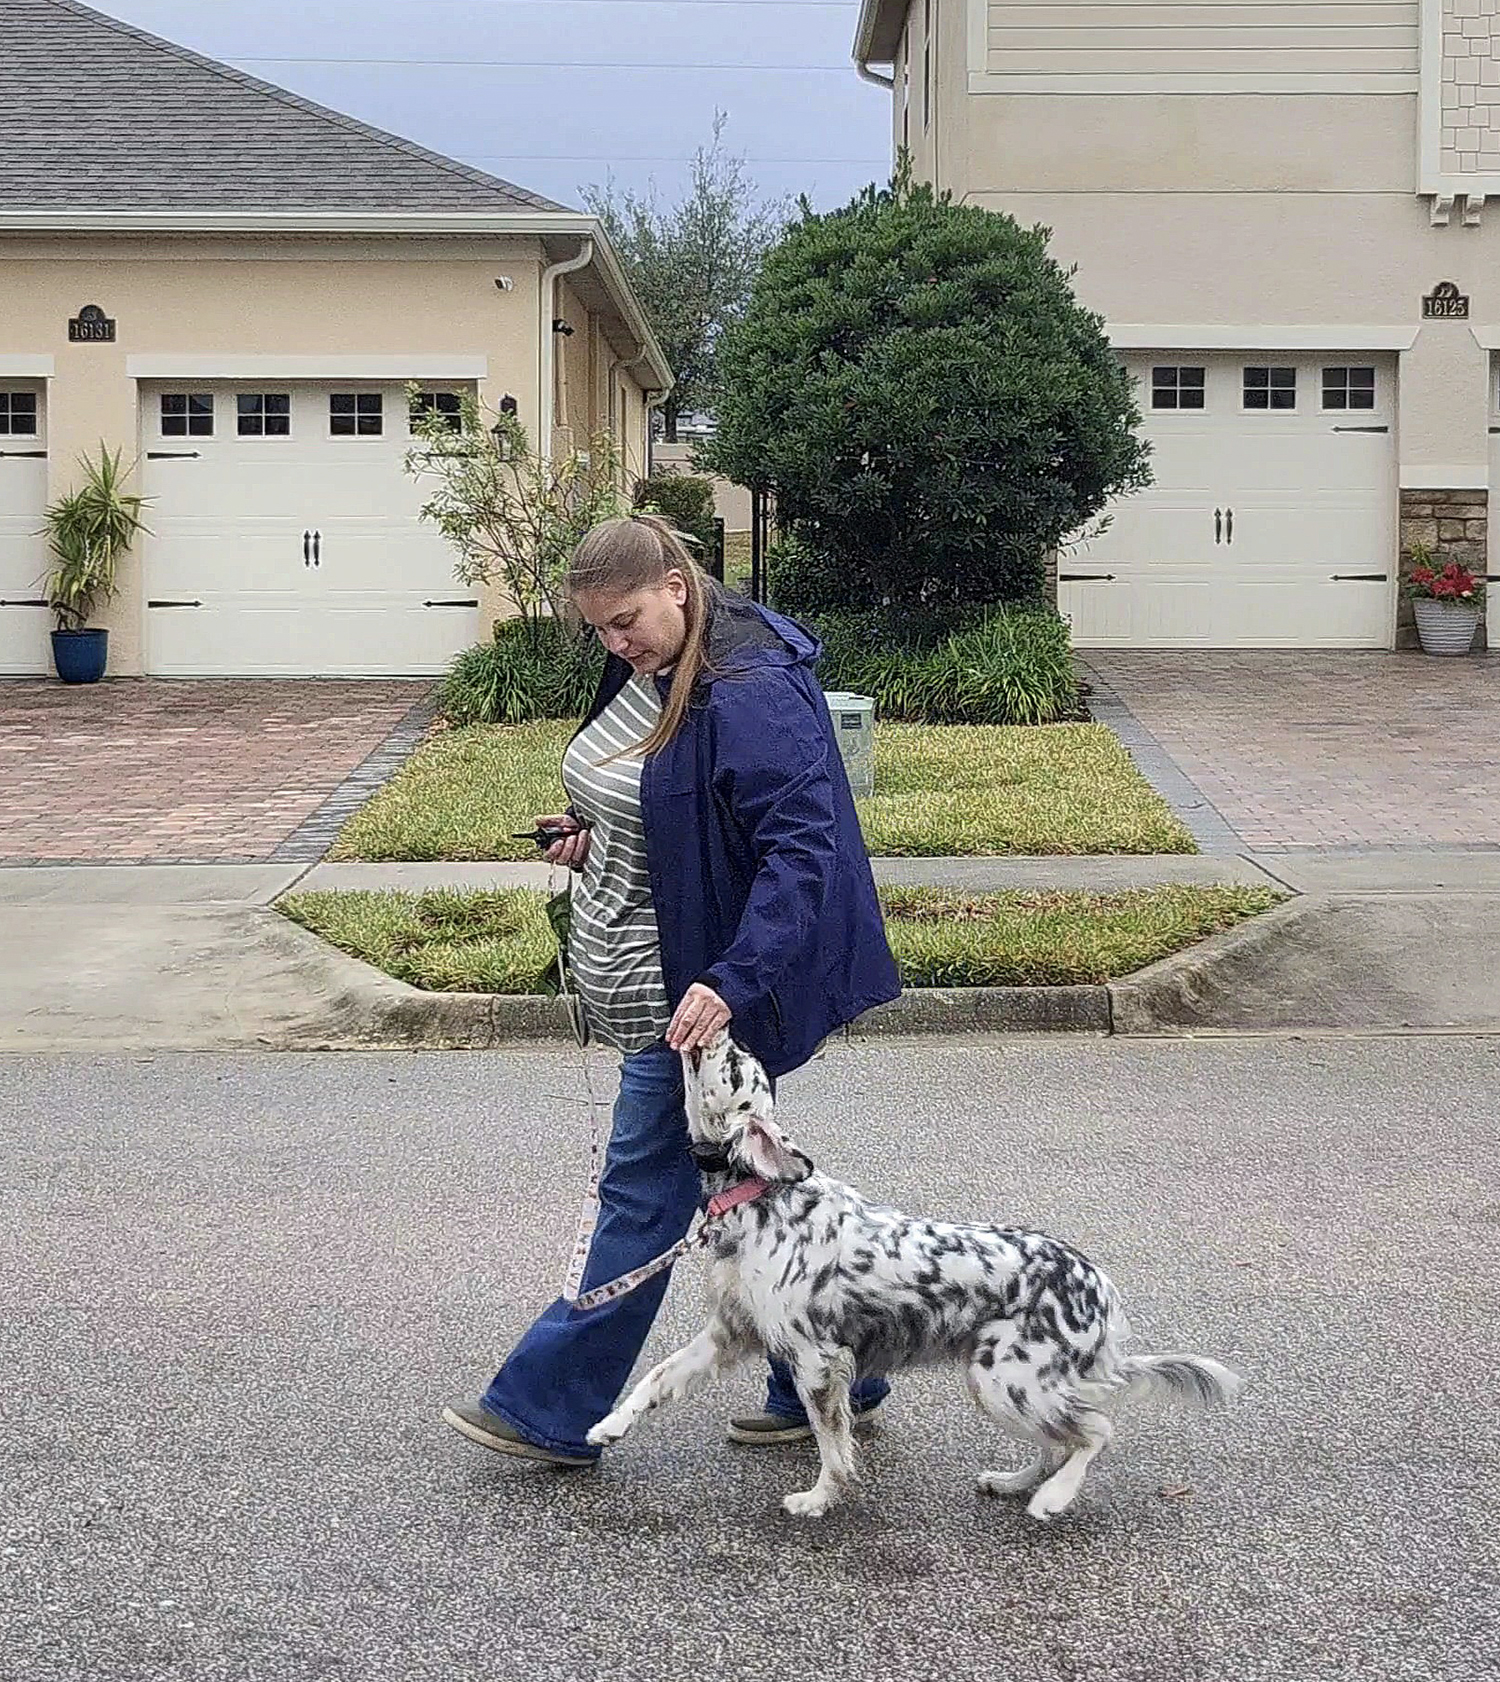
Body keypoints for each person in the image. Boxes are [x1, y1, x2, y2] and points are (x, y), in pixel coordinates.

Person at [442, 513, 901, 1467]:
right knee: (747, 1180)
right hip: (676, 954)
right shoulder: (656, 662)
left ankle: (549, 1408)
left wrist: (729, 982)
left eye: (626, 622)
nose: (616, 645)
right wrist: (586, 828)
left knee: (642, 1189)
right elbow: (665, 797)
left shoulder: (750, 688)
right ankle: (836, 1365)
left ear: (677, 588)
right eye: (600, 632)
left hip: (714, 975)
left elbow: (800, 850)